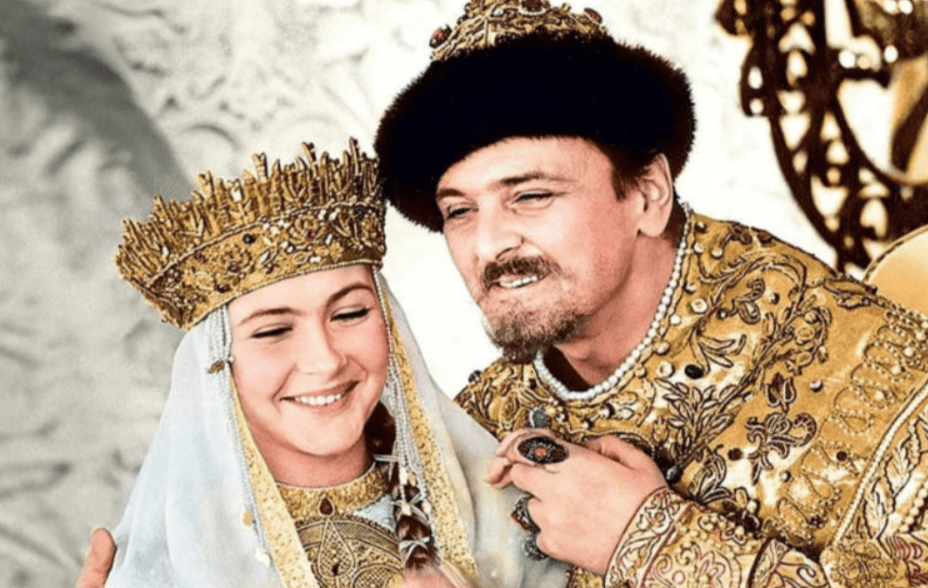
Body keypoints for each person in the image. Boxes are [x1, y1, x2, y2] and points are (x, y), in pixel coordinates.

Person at [374, 1, 928, 586]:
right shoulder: (480, 427)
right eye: (459, 212)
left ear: (648, 194)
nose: (488, 245)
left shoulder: (862, 360)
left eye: (531, 196)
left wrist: (648, 541)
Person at [79, 139, 567, 588]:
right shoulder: (178, 559)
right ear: (216, 363)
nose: (326, 359)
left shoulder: (499, 503)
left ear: (390, 324)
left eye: (350, 314)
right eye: (273, 331)